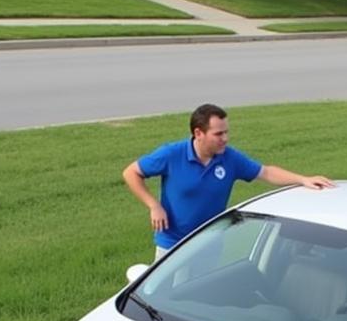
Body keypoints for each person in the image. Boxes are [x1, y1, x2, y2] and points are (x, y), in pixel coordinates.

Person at [122, 103, 334, 260]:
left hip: (210, 243)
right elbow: (131, 173)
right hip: (173, 244)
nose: (225, 138)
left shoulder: (229, 158)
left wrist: (303, 179)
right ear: (198, 133)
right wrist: (154, 205)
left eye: (227, 132)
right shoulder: (171, 154)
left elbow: (266, 172)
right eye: (218, 134)